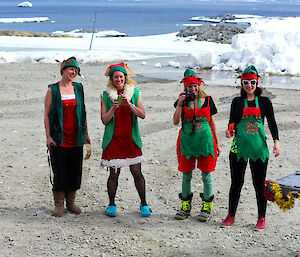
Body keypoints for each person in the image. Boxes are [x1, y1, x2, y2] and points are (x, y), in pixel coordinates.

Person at [221, 65, 280, 229]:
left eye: (252, 82)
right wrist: (229, 130)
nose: (249, 85)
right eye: (246, 82)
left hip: (258, 148)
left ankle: (262, 218)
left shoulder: (265, 102)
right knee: (236, 183)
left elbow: (272, 123)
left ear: (257, 83)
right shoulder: (237, 102)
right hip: (238, 147)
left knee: (259, 184)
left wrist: (276, 141)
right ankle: (231, 215)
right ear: (242, 84)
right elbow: (232, 121)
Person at [100, 62, 151, 217]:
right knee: (114, 174)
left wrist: (129, 105)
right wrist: (113, 108)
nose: (118, 79)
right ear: (111, 79)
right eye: (115, 77)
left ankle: (143, 203)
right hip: (114, 140)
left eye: (121, 76)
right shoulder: (105, 95)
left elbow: (142, 114)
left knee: (137, 172)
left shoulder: (135, 93)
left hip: (131, 139)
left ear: (125, 78)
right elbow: (104, 120)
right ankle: (111, 204)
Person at [44, 56, 90, 217]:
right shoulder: (53, 89)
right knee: (60, 170)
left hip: (76, 137)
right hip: (59, 137)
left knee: (75, 170)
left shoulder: (79, 88)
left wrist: (86, 134)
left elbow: (82, 113)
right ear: (63, 70)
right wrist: (48, 136)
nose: (73, 72)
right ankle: (59, 204)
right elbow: (47, 115)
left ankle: (71, 203)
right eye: (71, 69)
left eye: (76, 70)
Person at [173, 69, 220, 222]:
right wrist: (180, 104)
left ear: (199, 86)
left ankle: (207, 206)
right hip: (187, 142)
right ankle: (185, 205)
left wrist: (217, 143)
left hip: (205, 141)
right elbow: (175, 121)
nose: (192, 89)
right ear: (185, 87)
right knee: (186, 175)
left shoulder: (207, 100)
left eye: (194, 86)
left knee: (206, 175)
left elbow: (212, 122)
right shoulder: (181, 101)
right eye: (189, 86)